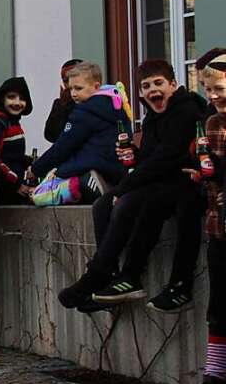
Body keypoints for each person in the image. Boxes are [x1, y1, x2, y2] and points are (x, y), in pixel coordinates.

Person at [59, 59, 206, 311]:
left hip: (184, 183)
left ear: (173, 84)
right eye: (146, 86)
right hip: (160, 180)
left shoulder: (186, 111)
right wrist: (133, 156)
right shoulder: (151, 117)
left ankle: (106, 275)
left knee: (131, 200)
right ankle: (110, 276)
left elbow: (166, 159)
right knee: (102, 204)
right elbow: (150, 160)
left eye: (158, 84)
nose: (152, 91)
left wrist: (123, 187)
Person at [175, 50, 226, 384]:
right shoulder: (211, 125)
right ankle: (215, 379)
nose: (215, 96)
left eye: (220, 88)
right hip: (218, 226)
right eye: (209, 90)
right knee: (219, 310)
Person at [26, 62, 130, 205]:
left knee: (40, 194)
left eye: (78, 88)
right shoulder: (116, 106)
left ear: (96, 86)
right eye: (71, 89)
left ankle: (80, 185)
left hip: (91, 166)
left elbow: (63, 146)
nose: (73, 93)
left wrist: (36, 169)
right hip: (116, 169)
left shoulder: (84, 112)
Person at [0, 76, 32, 204]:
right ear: (2, 99)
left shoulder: (13, 123)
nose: (17, 103)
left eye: (22, 98)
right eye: (11, 97)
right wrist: (15, 185)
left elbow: (12, 155)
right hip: (2, 194)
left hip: (13, 190)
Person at [44, 58, 84, 143]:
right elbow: (50, 135)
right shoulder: (61, 103)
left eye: (75, 78)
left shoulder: (96, 101)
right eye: (66, 80)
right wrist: (63, 106)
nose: (70, 84)